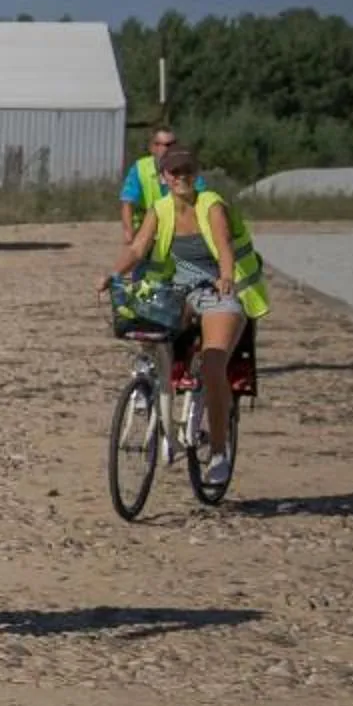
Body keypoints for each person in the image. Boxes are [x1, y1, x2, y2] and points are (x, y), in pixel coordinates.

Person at [106, 146, 269, 488]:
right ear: (163, 178)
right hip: (175, 292)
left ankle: (220, 451)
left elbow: (224, 247)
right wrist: (113, 274)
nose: (181, 178)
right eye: (174, 173)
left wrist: (226, 277)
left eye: (187, 172)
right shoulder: (160, 209)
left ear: (196, 175)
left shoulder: (211, 205)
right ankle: (148, 385)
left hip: (219, 291)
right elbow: (137, 248)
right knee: (145, 330)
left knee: (213, 364)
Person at [117, 127, 206, 241]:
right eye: (165, 144)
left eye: (173, 144)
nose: (170, 148)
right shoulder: (140, 168)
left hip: (180, 227)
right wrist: (128, 233)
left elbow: (203, 198)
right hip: (147, 228)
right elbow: (127, 201)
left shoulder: (187, 167)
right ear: (152, 148)